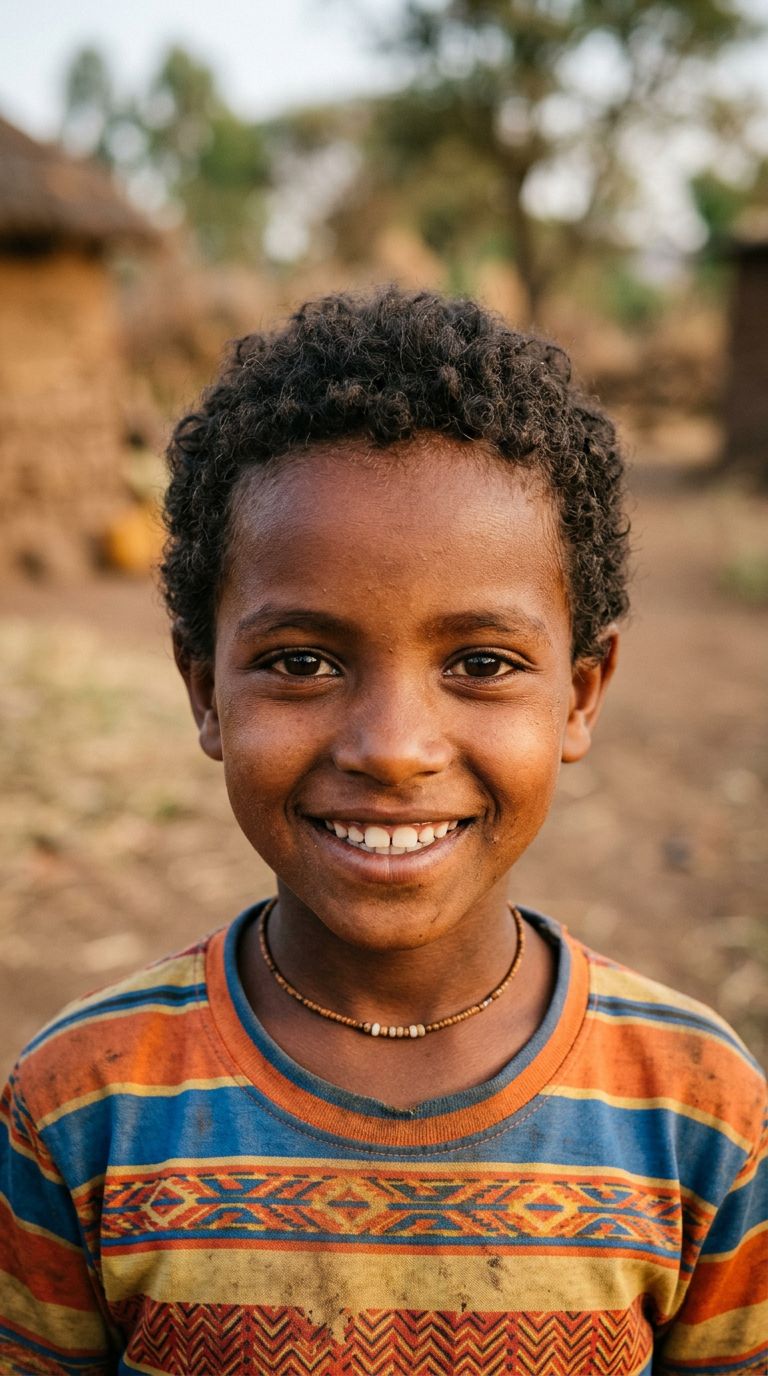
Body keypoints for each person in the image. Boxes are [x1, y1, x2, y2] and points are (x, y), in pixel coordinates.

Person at [0, 287, 765, 1376]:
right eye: (302, 660)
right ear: (204, 689)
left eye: (482, 663)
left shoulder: (701, 1111)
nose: (393, 746)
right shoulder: (81, 1102)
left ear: (583, 693)